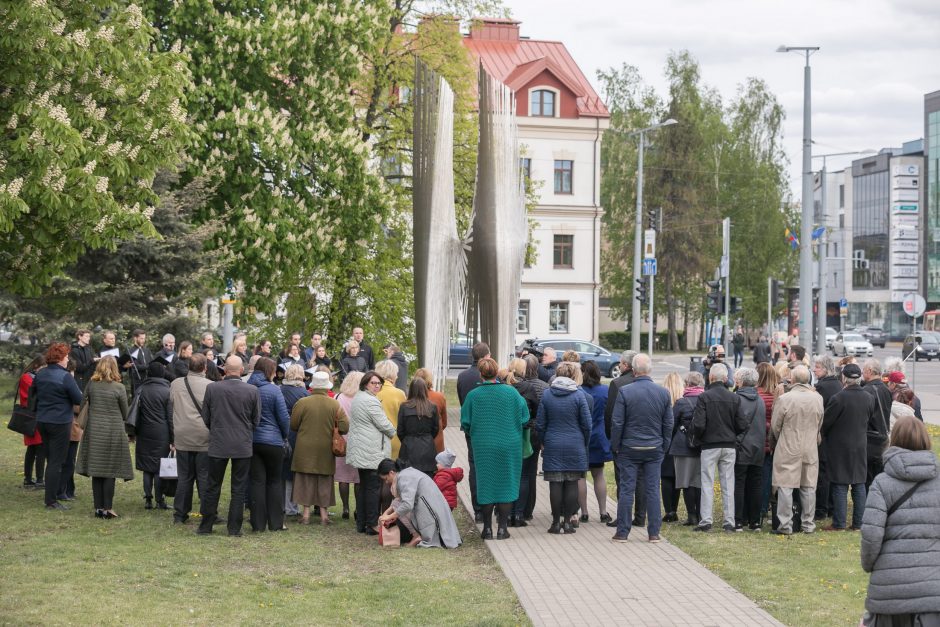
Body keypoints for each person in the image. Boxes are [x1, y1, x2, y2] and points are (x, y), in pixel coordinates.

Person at [860, 416, 940, 625]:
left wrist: (869, 564)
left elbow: (871, 534)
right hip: (933, 587)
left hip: (890, 586)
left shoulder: (882, 483)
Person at [461, 357, 528, 540]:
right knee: (506, 483)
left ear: (480, 373)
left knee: (486, 484)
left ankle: (487, 528)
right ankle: (502, 528)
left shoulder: (473, 396)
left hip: (483, 445)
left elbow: (465, 422)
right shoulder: (512, 393)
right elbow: (524, 417)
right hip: (509, 444)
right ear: (497, 372)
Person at [609, 353, 673, 543]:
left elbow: (617, 422)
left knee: (627, 489)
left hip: (629, 447)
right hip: (654, 447)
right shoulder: (662, 393)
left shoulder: (625, 391)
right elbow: (668, 423)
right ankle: (653, 532)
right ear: (650, 370)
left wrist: (616, 445)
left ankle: (622, 532)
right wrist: (664, 446)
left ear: (634, 370)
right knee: (652, 489)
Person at [197, 356, 261, 536]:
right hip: (242, 443)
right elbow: (256, 420)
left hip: (219, 443)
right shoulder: (252, 390)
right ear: (241, 370)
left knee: (212, 485)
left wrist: (217, 429)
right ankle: (234, 528)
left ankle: (206, 525)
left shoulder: (213, 388)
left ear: (225, 369)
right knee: (238, 487)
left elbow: (206, 416)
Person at [537, 361, 592, 536]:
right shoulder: (578, 396)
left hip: (553, 442)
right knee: (572, 482)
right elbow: (587, 424)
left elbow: (540, 424)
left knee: (555, 483)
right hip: (575, 443)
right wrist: (584, 442)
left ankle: (555, 522)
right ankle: (568, 522)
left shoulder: (547, 395)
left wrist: (542, 442)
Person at [692, 363, 748, 532]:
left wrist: (700, 438)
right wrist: (733, 436)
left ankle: (706, 520)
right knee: (727, 483)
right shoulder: (734, 398)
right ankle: (729, 521)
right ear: (725, 379)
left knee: (707, 482)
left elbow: (699, 424)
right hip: (729, 445)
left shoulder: (704, 397)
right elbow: (742, 424)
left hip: (709, 445)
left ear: (710, 378)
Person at [770, 365, 824, 535]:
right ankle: (808, 524)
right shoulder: (818, 398)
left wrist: (781, 439)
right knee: (808, 486)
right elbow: (819, 422)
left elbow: (775, 426)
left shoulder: (785, 399)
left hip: (788, 445)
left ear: (792, 379)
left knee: (785, 485)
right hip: (810, 446)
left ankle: (785, 525)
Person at [76, 357, 133, 518]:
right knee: (109, 470)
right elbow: (125, 412)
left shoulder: (91, 384)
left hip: (94, 430)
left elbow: (82, 405)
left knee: (97, 470)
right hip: (113, 432)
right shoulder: (119, 387)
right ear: (115, 368)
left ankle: (98, 508)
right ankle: (108, 508)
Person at [290, 371, 348, 525]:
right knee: (324, 480)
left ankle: (306, 515)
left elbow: (293, 425)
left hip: (304, 447)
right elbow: (344, 426)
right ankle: (324, 516)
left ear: (313, 385)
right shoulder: (334, 404)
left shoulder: (302, 402)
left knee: (305, 479)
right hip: (325, 448)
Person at [33, 342, 84, 510]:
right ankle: (51, 500)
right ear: (60, 358)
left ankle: (51, 496)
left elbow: (33, 396)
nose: (67, 359)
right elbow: (78, 399)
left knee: (50, 459)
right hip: (60, 422)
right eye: (66, 356)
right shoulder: (65, 377)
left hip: (42, 420)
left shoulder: (40, 374)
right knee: (56, 461)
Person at [822, 363, 872, 531]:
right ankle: (859, 523)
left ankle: (839, 523)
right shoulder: (868, 397)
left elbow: (826, 423)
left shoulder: (838, 398)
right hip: (860, 445)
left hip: (840, 446)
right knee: (859, 484)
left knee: (840, 484)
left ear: (844, 378)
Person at [347, 371, 396, 535]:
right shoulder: (370, 401)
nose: (376, 386)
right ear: (365, 384)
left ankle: (361, 523)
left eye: (378, 383)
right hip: (371, 450)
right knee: (372, 488)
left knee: (364, 487)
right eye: (373, 383)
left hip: (363, 449)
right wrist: (393, 431)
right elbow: (384, 425)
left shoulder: (359, 397)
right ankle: (372, 523)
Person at [246, 357, 290, 532]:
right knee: (274, 481)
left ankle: (257, 523)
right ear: (269, 372)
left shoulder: (248, 388)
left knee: (256, 481)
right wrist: (284, 435)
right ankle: (275, 522)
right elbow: (283, 418)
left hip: (252, 440)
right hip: (273, 441)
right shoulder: (274, 390)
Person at [378, 458, 462, 549]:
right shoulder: (406, 473)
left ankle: (416, 536)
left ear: (391, 472)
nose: (386, 482)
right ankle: (416, 535)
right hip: (435, 508)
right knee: (398, 505)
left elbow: (407, 505)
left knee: (402, 507)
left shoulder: (403, 477)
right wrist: (386, 514)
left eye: (386, 479)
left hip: (432, 512)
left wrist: (390, 516)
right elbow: (398, 501)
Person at [169, 352, 211, 524]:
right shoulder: (210, 386)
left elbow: (171, 403)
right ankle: (208, 513)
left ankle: (180, 514)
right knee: (204, 476)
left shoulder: (176, 384)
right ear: (205, 368)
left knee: (184, 477)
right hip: (203, 436)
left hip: (182, 434)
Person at [130, 361, 174, 510]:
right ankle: (159, 500)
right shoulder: (167, 391)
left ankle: (148, 498)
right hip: (162, 433)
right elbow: (170, 417)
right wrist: (173, 439)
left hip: (144, 432)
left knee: (147, 468)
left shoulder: (141, 389)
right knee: (158, 468)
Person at [603, 350, 637, 529]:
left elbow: (611, 415)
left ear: (625, 365)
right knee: (642, 480)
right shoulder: (647, 383)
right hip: (645, 439)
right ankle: (640, 515)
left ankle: (623, 516)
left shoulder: (617, 383)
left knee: (622, 480)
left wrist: (612, 438)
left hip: (623, 439)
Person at [457, 342, 490, 522]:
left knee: (475, 466)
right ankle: (490, 505)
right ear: (485, 357)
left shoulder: (463, 376)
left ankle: (478, 509)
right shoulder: (490, 375)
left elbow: (463, 401)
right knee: (489, 466)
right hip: (490, 427)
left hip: (472, 428)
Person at [670, 371, 704, 527]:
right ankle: (699, 513)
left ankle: (692, 516)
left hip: (682, 445)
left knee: (685, 482)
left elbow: (672, 424)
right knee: (698, 482)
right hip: (702, 446)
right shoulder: (706, 399)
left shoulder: (681, 402)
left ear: (687, 384)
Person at [733, 367, 765, 531]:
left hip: (741, 447)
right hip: (758, 448)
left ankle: (738, 520)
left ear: (740, 381)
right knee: (756, 485)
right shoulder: (760, 400)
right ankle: (755, 521)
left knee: (738, 483)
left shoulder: (736, 399)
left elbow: (735, 425)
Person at [581, 360, 612, 523]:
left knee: (581, 476)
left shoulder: (578, 391)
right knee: (598, 474)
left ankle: (584, 512)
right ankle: (603, 511)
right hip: (599, 435)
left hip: (581, 437)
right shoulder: (605, 391)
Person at [812, 354, 842, 520]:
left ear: (825, 368)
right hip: (836, 437)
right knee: (831, 473)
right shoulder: (838, 384)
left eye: (817, 367)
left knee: (822, 475)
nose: (814, 370)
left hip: (825, 436)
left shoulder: (822, 388)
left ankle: (821, 509)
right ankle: (831, 507)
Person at [279, 364, 309, 518]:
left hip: (280, 431)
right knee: (292, 471)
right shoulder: (303, 393)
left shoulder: (279, 389)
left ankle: (281, 504)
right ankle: (291, 507)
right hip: (297, 432)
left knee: (281, 469)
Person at [334, 371, 363, 520]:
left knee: (343, 477)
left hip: (342, 440)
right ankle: (358, 508)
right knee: (358, 478)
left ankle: (345, 507)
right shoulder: (362, 398)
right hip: (359, 440)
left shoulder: (338, 397)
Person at [397, 378, 440, 476]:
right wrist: (427, 438)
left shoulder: (404, 407)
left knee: (408, 481)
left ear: (411, 389)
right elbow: (435, 428)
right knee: (427, 481)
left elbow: (400, 430)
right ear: (424, 389)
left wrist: (407, 440)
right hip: (427, 448)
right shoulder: (432, 407)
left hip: (408, 448)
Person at [862, 359, 893, 489]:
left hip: (869, 440)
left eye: (863, 370)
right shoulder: (886, 390)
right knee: (879, 479)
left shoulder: (866, 391)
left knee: (867, 480)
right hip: (883, 438)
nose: (862, 373)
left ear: (869, 371)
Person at [18, 354, 46, 490]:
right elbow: (32, 395)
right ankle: (37, 479)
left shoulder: (35, 377)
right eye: (43, 367)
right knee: (37, 447)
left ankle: (29, 479)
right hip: (31, 416)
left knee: (36, 448)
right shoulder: (27, 377)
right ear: (36, 366)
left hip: (38, 415)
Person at [756, 363, 779, 524]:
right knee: (768, 476)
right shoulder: (777, 394)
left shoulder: (757, 395)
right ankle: (767, 506)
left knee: (758, 477)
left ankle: (758, 508)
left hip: (758, 439)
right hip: (773, 441)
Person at [659, 372, 683, 524]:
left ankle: (669, 510)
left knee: (666, 477)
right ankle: (674, 508)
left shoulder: (662, 401)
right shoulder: (683, 402)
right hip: (679, 444)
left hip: (664, 443)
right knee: (677, 477)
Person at [375, 360, 406, 460]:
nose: (397, 377)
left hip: (375, 441)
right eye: (396, 374)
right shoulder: (399, 394)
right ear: (392, 375)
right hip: (395, 440)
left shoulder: (372, 392)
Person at [413, 368, 448, 453]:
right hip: (436, 442)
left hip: (416, 443)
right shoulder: (439, 397)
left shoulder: (410, 398)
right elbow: (444, 423)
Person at [125, 329, 152, 393]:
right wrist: (148, 366)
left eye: (144, 338)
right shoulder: (130, 351)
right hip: (137, 382)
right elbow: (135, 366)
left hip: (148, 381)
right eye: (141, 338)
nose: (143, 340)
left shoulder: (147, 350)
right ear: (135, 338)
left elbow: (151, 362)